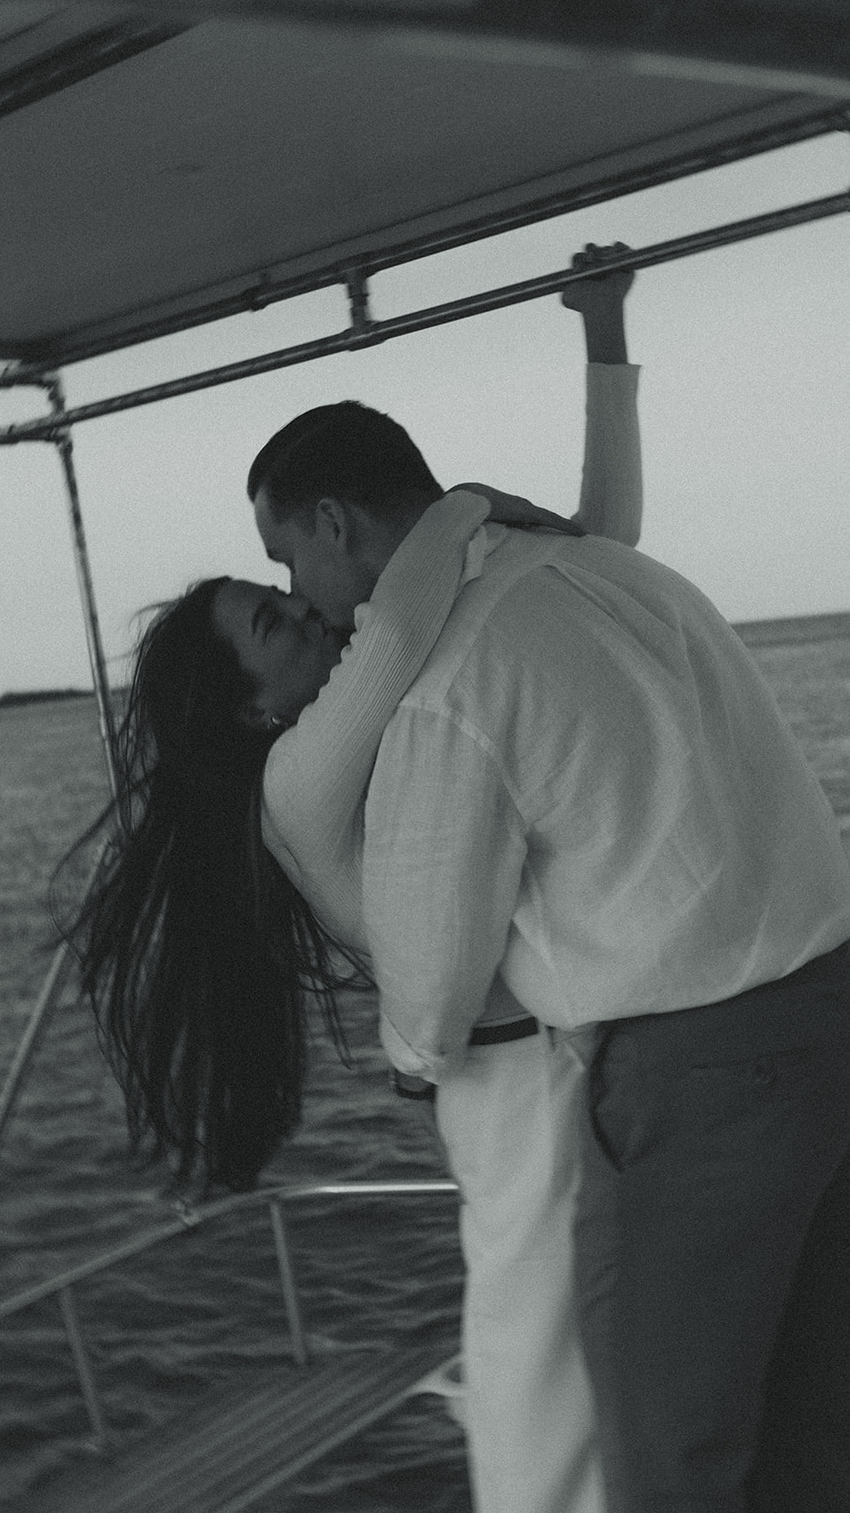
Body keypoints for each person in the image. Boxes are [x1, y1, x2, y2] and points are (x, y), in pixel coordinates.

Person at [248, 280, 850, 1507]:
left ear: (331, 520)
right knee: (807, 1419)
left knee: (664, 1447)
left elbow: (429, 981)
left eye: (286, 561)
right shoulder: (617, 574)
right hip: (828, 1013)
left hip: (693, 1080)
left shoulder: (449, 687)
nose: (304, 595)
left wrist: (414, 1059)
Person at [64, 244, 641, 1513]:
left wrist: (604, 353)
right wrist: (473, 496)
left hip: (567, 1058)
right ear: (249, 710)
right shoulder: (303, 774)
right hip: (512, 1078)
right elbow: (398, 607)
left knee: (584, 1368)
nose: (308, 613)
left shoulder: (377, 721)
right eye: (275, 619)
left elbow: (592, 553)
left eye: (286, 589)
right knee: (541, 1381)